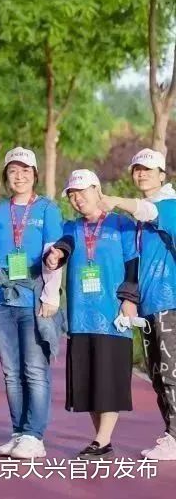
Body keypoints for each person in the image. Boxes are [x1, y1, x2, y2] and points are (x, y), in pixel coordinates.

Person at [0, 147, 64, 459]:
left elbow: (54, 255)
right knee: (11, 373)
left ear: (35, 175)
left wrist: (51, 294)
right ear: (6, 176)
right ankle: (18, 431)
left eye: (25, 170)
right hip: (1, 299)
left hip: (33, 299)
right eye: (13, 171)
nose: (19, 176)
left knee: (34, 370)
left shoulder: (47, 209)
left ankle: (34, 435)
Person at [45, 169, 139, 460]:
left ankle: (101, 440)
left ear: (97, 189)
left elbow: (133, 264)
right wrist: (56, 255)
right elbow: (64, 246)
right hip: (81, 317)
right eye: (72, 195)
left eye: (81, 192)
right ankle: (102, 441)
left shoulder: (121, 224)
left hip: (112, 315)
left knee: (108, 378)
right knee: (89, 382)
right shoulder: (71, 227)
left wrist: (129, 299)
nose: (77, 199)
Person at [96, 149, 176, 459]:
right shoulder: (139, 222)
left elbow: (148, 210)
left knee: (171, 372)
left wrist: (114, 200)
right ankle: (171, 433)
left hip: (171, 301)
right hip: (150, 305)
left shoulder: (169, 205)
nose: (141, 174)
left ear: (162, 175)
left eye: (148, 169)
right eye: (137, 169)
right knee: (157, 373)